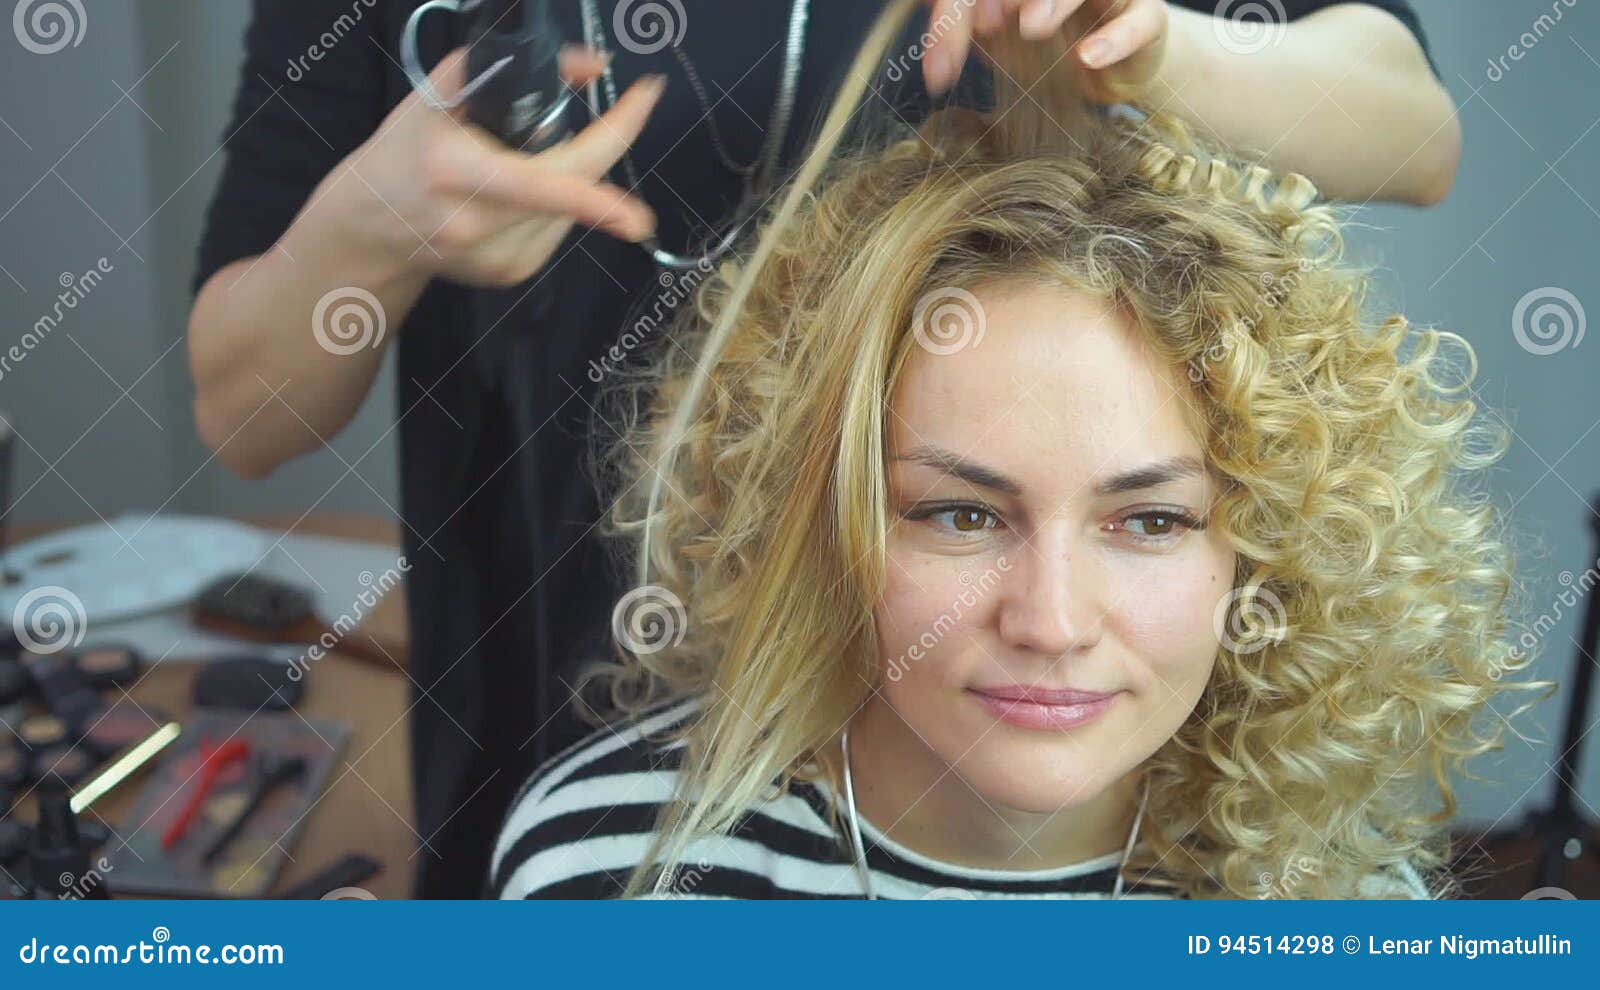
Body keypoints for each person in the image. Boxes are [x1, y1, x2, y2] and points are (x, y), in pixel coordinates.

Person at [187, 0, 1457, 898]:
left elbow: (1412, 129)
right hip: (561, 664)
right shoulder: (589, 851)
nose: (1053, 618)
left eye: (1155, 519)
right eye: (958, 510)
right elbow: (247, 418)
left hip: (1018, 713)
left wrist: (1164, 45)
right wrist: (367, 234)